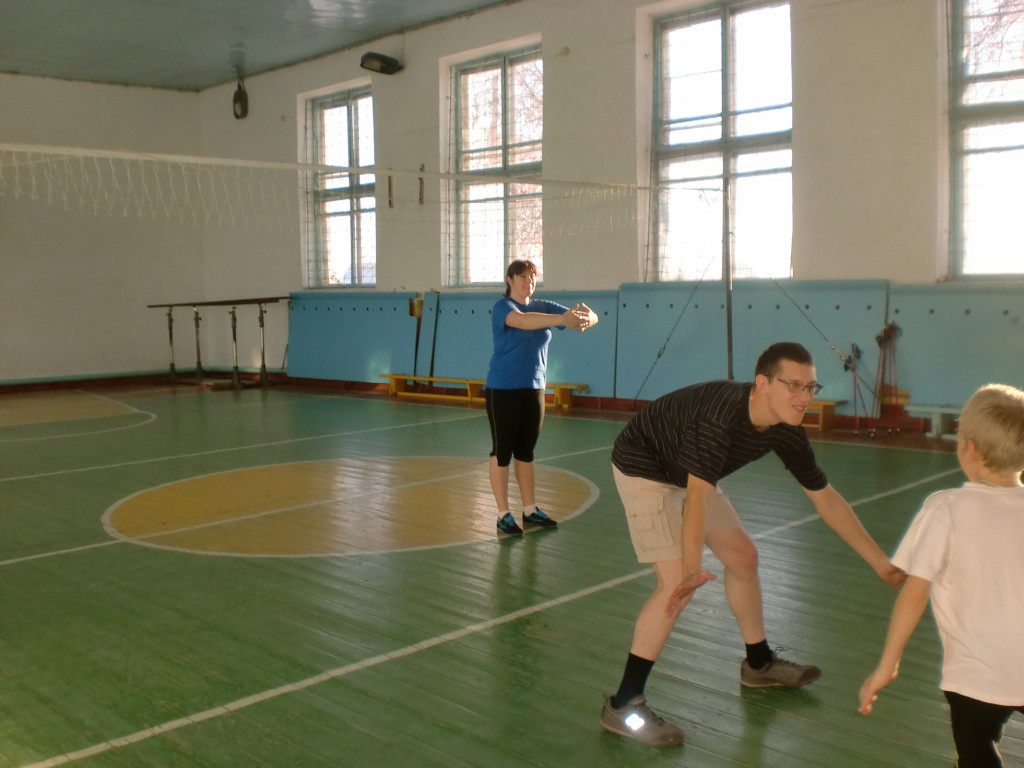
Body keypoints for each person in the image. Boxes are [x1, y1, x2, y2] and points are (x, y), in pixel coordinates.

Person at [599, 341, 905, 747]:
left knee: (743, 556)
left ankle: (758, 664)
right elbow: (696, 500)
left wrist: (880, 563)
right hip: (646, 466)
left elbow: (826, 499)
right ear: (762, 383)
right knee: (674, 585)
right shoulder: (720, 418)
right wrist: (691, 568)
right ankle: (624, 703)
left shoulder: (787, 429)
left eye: (810, 387)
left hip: (692, 473)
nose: (804, 398)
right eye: (793, 386)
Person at [859, 384, 1024, 768]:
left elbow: (913, 595)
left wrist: (887, 666)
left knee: (977, 751)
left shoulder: (946, 509)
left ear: (970, 449)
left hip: (975, 680)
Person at [485, 259, 599, 535]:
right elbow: (522, 322)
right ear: (510, 280)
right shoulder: (503, 307)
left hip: (534, 389)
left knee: (526, 451)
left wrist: (587, 318)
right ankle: (503, 514)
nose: (529, 282)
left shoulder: (543, 306)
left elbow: (587, 316)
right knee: (502, 452)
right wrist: (562, 319)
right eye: (523, 277)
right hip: (503, 389)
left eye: (532, 277)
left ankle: (530, 510)